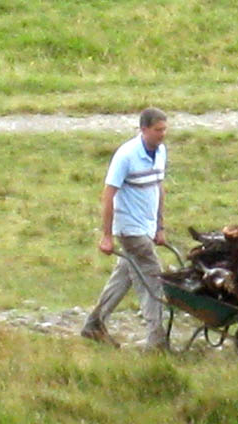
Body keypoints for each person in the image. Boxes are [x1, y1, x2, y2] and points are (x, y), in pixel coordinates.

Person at [81, 108, 170, 351]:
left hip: (147, 226)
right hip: (129, 228)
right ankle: (156, 339)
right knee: (152, 277)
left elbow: (159, 188)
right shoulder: (126, 155)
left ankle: (94, 324)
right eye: (157, 130)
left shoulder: (160, 152)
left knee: (124, 276)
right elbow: (108, 195)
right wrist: (107, 236)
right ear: (143, 130)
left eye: (164, 129)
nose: (162, 134)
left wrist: (160, 226)